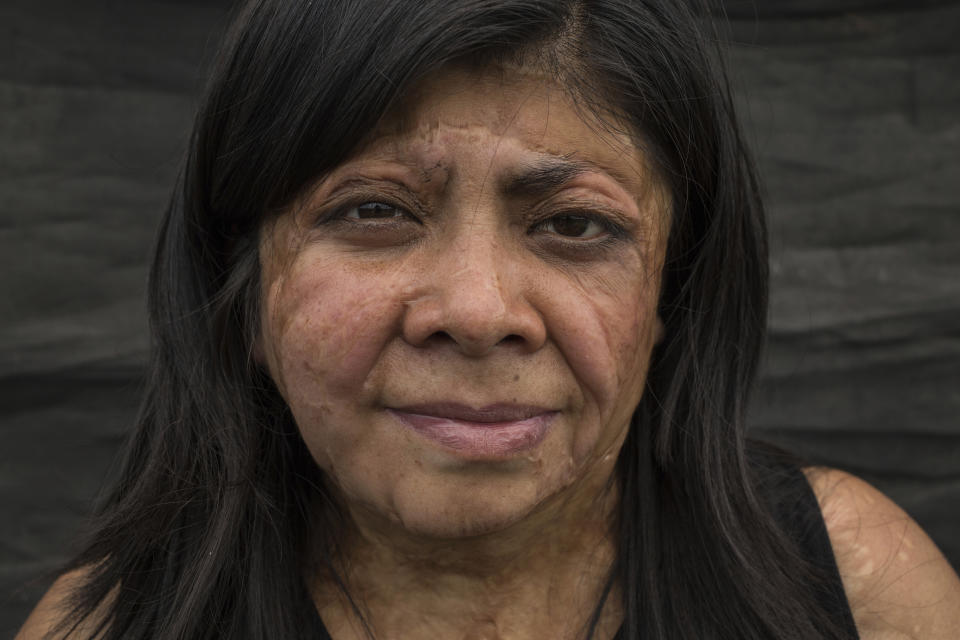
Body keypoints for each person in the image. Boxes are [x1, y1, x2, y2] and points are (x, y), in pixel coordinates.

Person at [16, 0, 960, 638]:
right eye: (373, 211)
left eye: (576, 225)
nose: (476, 312)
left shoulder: (854, 590)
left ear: (674, 292)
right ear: (244, 293)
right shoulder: (109, 626)